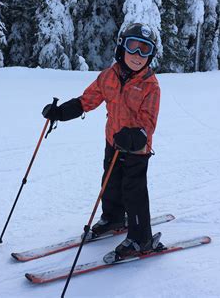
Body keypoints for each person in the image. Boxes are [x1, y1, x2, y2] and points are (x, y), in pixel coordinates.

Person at [42, 23, 162, 259]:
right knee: (110, 183)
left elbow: (148, 121)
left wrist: (136, 135)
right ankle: (113, 217)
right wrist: (62, 112)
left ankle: (141, 239)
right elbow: (87, 100)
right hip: (112, 142)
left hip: (136, 149)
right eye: (133, 47)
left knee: (133, 192)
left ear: (151, 55)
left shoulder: (151, 85)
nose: (138, 56)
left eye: (144, 50)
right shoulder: (109, 77)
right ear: (121, 47)